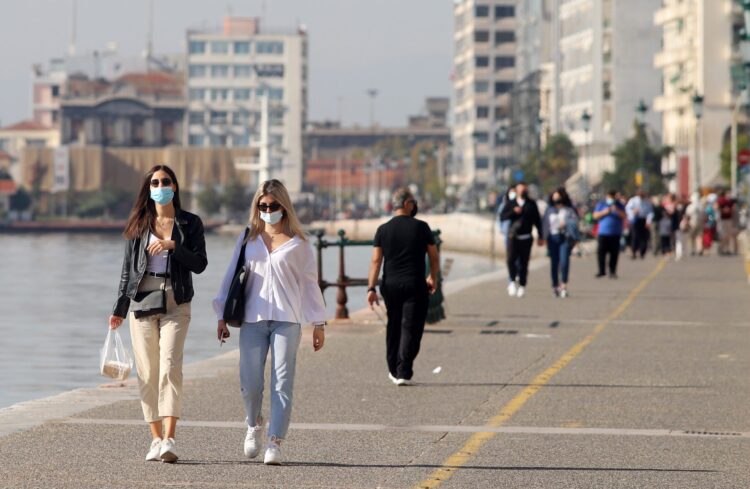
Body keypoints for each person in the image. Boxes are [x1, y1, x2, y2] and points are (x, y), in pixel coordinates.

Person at [214, 179, 327, 466]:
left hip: (287, 320)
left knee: (282, 383)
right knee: (250, 383)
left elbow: (310, 284)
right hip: (252, 319)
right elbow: (231, 276)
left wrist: (318, 322)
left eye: (273, 205)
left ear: (284, 206)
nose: (267, 210)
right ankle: (254, 423)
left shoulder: (300, 244)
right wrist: (221, 315)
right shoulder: (248, 239)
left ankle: (275, 442)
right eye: (262, 206)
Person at [109, 165, 207, 463]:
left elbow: (200, 264)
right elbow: (127, 271)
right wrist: (119, 309)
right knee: (148, 373)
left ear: (174, 186)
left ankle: (169, 438)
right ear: (149, 188)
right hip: (142, 302)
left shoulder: (190, 223)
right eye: (155, 182)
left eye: (166, 181)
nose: (161, 186)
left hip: (177, 301)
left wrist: (174, 246)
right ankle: (155, 438)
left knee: (170, 367)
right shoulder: (139, 223)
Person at [367, 187, 439, 386]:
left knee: (394, 325)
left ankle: (394, 369)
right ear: (407, 204)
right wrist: (433, 278)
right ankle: (403, 371)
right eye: (413, 202)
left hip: (390, 286)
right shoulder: (421, 227)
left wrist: (371, 288)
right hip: (415, 284)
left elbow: (376, 261)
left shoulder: (383, 229)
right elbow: (433, 256)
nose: (415, 206)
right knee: (411, 327)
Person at [500, 182, 544, 298]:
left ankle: (522, 285)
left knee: (523, 263)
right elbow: (502, 216)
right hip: (513, 237)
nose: (522, 191)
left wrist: (541, 236)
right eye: (520, 189)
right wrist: (513, 212)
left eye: (524, 189)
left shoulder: (531, 204)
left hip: (526, 237)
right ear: (516, 190)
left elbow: (537, 221)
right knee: (510, 260)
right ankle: (512, 281)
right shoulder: (511, 203)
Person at [542, 188, 579, 298]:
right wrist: (543, 238)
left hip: (565, 238)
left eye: (558, 197)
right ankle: (555, 286)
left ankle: (563, 285)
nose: (556, 200)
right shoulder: (549, 210)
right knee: (554, 263)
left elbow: (575, 222)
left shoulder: (569, 209)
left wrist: (566, 223)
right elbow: (545, 224)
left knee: (564, 262)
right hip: (553, 238)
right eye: (554, 197)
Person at [593, 190, 626, 278]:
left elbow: (624, 216)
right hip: (603, 233)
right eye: (610, 196)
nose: (612, 198)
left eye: (613, 197)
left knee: (614, 254)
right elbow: (595, 216)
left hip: (615, 233)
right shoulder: (601, 204)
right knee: (601, 253)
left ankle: (612, 271)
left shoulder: (619, 205)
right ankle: (601, 271)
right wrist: (604, 212)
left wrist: (617, 210)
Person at [625, 190, 654, 259]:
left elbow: (650, 212)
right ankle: (634, 251)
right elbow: (627, 209)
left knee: (644, 237)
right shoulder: (633, 200)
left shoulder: (647, 202)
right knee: (635, 236)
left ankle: (642, 252)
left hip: (643, 220)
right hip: (635, 220)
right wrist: (632, 212)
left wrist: (648, 221)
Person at [717, 190, 738, 255]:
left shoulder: (730, 201)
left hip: (729, 220)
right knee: (724, 235)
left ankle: (727, 249)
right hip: (723, 220)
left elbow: (733, 208)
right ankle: (722, 248)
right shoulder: (722, 201)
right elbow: (718, 207)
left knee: (728, 235)